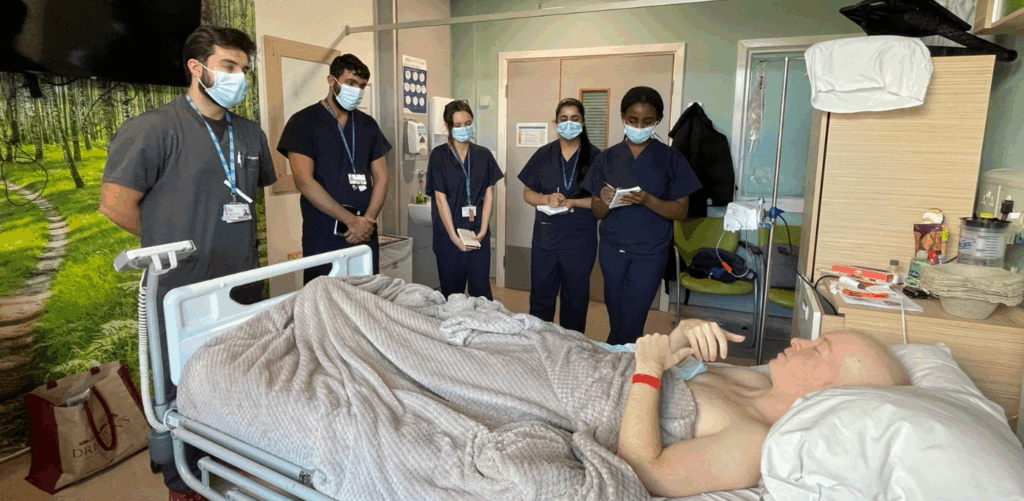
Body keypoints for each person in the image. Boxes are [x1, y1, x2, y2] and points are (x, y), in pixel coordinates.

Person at [99, 26, 274, 501]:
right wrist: (170, 243)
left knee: (237, 379)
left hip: (242, 285)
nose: (239, 78)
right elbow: (115, 204)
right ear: (197, 68)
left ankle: (235, 457)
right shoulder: (154, 128)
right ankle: (184, 482)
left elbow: (245, 198)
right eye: (229, 67)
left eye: (244, 69)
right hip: (184, 288)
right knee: (182, 392)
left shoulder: (250, 133)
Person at [618, 321, 911, 497]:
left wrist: (647, 369)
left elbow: (646, 471)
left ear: (831, 393)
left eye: (819, 349)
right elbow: (665, 363)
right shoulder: (753, 378)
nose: (798, 341)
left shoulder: (752, 442)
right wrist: (682, 334)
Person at [580, 86, 701, 345]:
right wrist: (605, 200)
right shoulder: (606, 158)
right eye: (633, 120)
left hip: (651, 252)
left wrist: (648, 199)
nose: (639, 126)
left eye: (647, 121)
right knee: (616, 313)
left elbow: (681, 211)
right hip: (612, 251)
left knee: (633, 316)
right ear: (623, 117)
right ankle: (622, 357)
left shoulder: (671, 159)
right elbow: (597, 212)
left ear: (657, 121)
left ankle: (620, 359)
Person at [277, 54, 391, 283]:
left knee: (366, 299)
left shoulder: (368, 125)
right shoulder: (303, 122)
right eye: (350, 83)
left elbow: (381, 178)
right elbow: (304, 182)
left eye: (362, 86)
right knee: (325, 302)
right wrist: (351, 221)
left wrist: (367, 220)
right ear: (332, 80)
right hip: (324, 233)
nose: (356, 90)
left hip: (365, 233)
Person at [517, 98, 600, 333]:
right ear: (555, 122)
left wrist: (573, 202)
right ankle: (538, 345)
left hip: (579, 242)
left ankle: (571, 350)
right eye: (564, 119)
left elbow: (602, 202)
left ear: (583, 122)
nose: (569, 123)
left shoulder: (595, 157)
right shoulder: (544, 155)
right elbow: (527, 192)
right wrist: (545, 199)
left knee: (575, 302)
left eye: (575, 119)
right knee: (541, 298)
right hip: (546, 240)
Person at [425, 100, 503, 299]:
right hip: (449, 237)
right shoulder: (439, 156)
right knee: (453, 295)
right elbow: (440, 200)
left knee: (482, 294)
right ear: (448, 127)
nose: (464, 129)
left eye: (468, 123)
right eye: (458, 126)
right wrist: (453, 237)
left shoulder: (483, 155)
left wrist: (484, 230)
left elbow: (489, 195)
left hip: (478, 235)